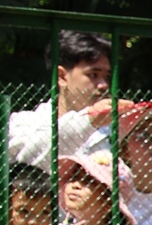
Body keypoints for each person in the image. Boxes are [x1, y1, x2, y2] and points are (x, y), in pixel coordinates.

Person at [7, 31, 113, 168]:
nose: (104, 85)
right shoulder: (24, 124)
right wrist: (88, 121)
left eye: (106, 77)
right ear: (61, 76)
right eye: (93, 75)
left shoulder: (114, 130)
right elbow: (30, 160)